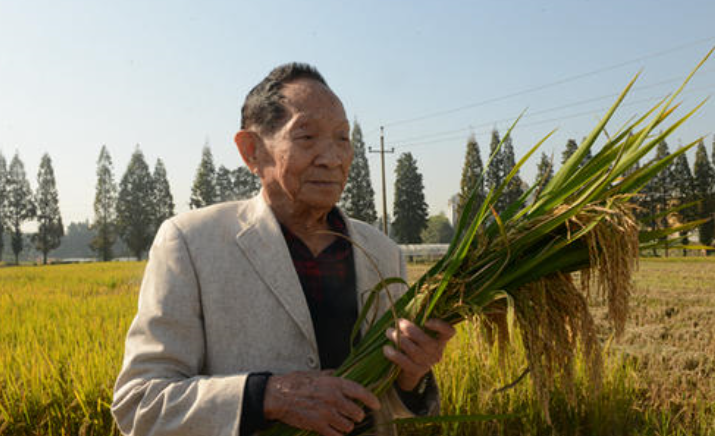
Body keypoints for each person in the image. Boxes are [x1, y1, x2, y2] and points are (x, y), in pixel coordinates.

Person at [111, 63, 455, 436]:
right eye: (307, 138)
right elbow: (140, 404)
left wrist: (412, 376)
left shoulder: (382, 252)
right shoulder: (192, 243)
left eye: (342, 138)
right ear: (252, 150)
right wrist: (267, 396)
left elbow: (385, 403)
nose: (333, 158)